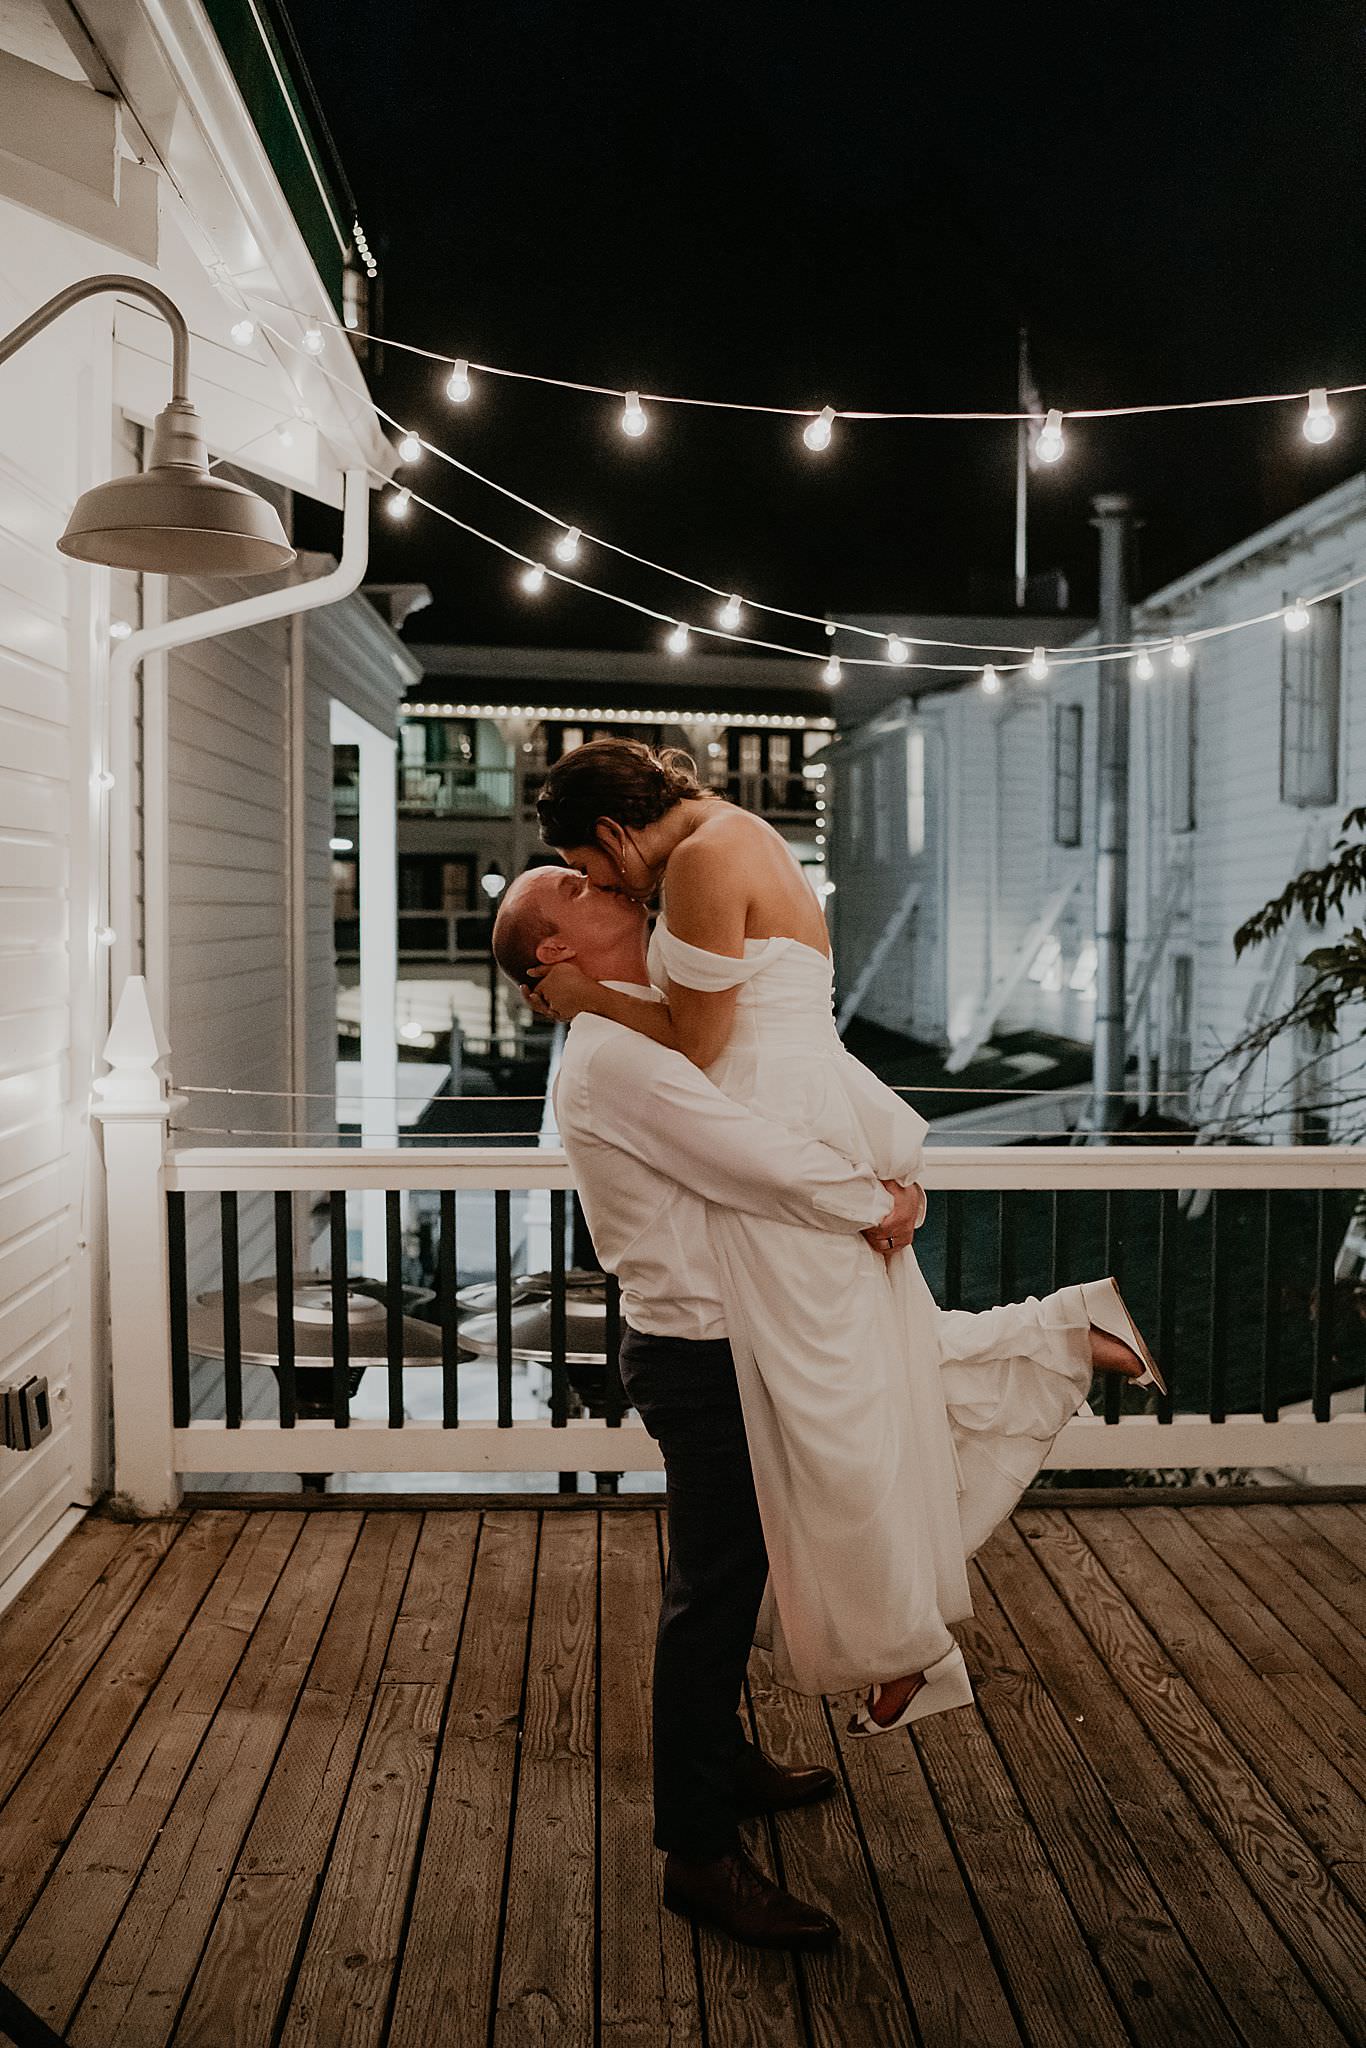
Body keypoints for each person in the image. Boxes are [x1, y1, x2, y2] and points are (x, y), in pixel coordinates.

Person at [493, 860, 1159, 1951]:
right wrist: (875, 1200)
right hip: (700, 1351)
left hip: (739, 1329)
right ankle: (699, 1854)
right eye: (573, 884)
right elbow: (745, 1153)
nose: (604, 880)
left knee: (789, 1519)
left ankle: (739, 1759)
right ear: (551, 952)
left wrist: (876, 1189)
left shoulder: (641, 1025)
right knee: (713, 1592)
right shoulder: (612, 1057)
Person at [524, 738, 1164, 1740]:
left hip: (776, 1127)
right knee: (861, 1381)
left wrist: (584, 998)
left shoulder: (697, 861)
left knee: (837, 1410)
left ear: (613, 829)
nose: (602, 884)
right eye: (584, 885)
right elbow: (718, 1027)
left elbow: (699, 1042)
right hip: (794, 1114)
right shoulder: (726, 839)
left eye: (590, 863)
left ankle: (903, 1641)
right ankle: (1052, 1352)